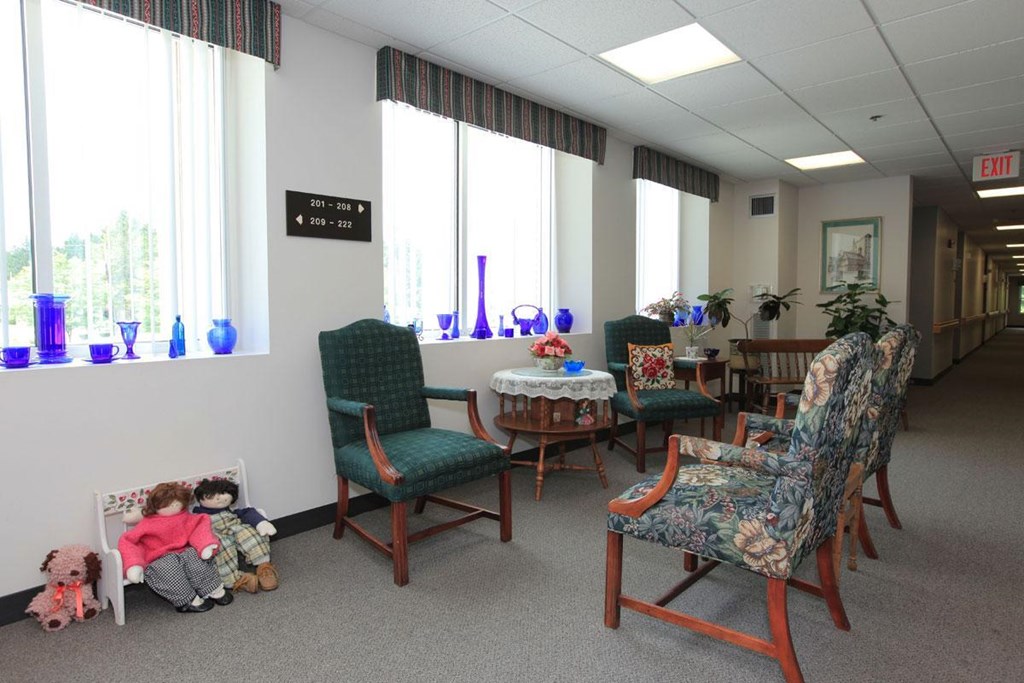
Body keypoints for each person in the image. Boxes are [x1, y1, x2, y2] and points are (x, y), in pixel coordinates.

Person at [118, 482, 232, 613]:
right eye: (168, 504)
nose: (173, 506)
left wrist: (205, 545)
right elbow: (129, 541)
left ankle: (213, 589)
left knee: (197, 559)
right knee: (167, 569)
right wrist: (134, 565)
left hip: (184, 550)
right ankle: (187, 599)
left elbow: (199, 529)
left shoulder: (185, 517)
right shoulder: (148, 522)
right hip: (159, 556)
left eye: (177, 503)